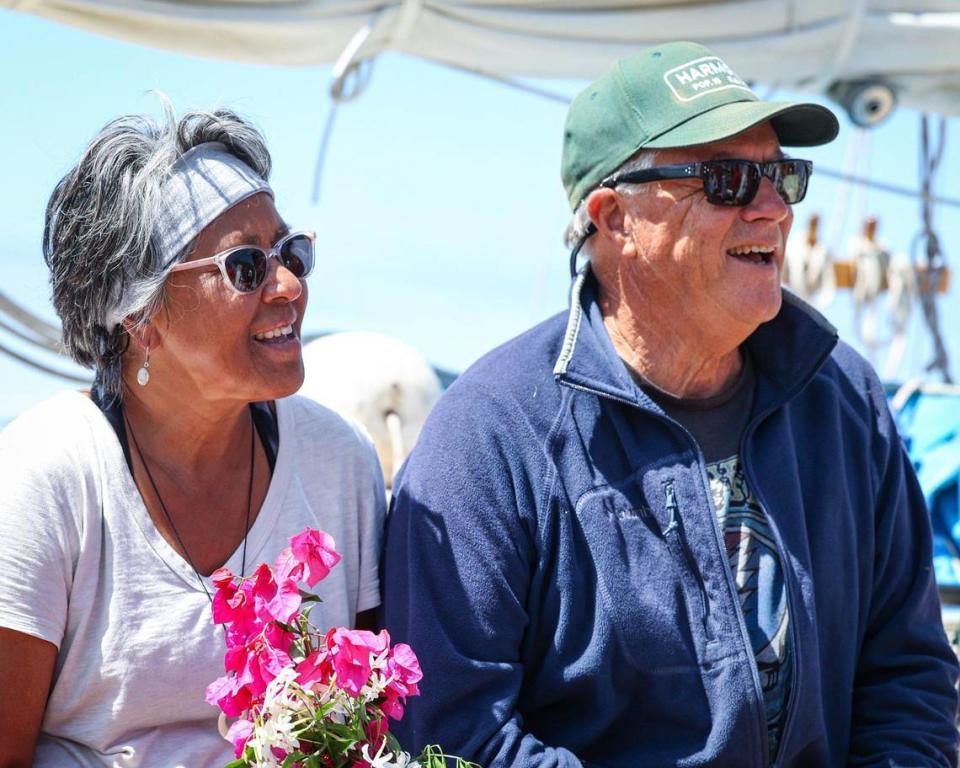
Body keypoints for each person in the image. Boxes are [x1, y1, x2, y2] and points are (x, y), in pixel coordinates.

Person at [381, 41, 960, 767]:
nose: (776, 208)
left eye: (781, 174)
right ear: (613, 217)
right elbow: (453, 733)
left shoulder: (845, 401)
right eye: (728, 180)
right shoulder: (490, 439)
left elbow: (910, 680)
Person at [0, 105, 385, 766]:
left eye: (290, 253)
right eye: (246, 267)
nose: (290, 286)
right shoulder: (46, 478)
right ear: (140, 316)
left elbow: (373, 724)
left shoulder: (338, 462)